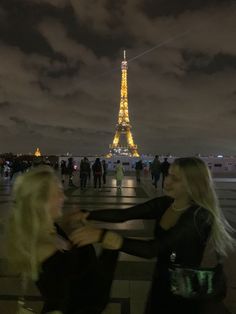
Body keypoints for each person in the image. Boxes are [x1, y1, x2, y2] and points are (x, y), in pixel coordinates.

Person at [69, 157, 235, 314]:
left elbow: (152, 249)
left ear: (192, 184)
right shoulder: (167, 204)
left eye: (175, 179)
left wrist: (103, 236)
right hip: (164, 279)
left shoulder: (198, 216)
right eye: (168, 174)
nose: (167, 181)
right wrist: (88, 214)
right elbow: (124, 215)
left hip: (188, 289)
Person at [5, 166, 118, 314]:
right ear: (41, 201)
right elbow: (90, 296)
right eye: (58, 192)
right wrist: (110, 249)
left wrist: (72, 224)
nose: (65, 197)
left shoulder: (51, 229)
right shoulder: (45, 248)